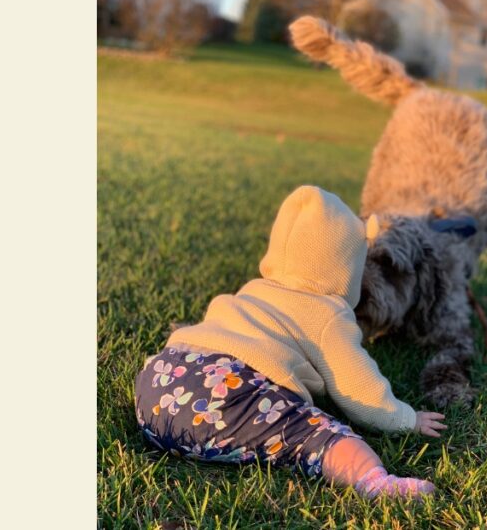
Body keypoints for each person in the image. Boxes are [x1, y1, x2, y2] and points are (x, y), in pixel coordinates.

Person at [134, 186, 446, 499]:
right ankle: (374, 481)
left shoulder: (255, 289)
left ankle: (170, 431)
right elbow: (359, 389)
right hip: (224, 397)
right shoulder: (327, 313)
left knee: (193, 401)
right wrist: (406, 419)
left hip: (158, 387)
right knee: (310, 432)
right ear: (346, 266)